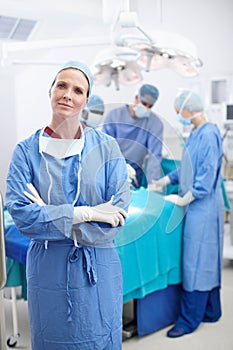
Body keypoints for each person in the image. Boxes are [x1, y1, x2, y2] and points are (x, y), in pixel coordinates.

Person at [5, 60, 130, 350]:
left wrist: (49, 215)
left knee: (100, 338)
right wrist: (83, 213)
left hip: (98, 267)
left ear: (86, 100)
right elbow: (22, 215)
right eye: (62, 85)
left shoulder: (106, 147)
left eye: (78, 90)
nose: (68, 94)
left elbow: (117, 214)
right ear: (50, 90)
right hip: (48, 269)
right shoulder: (26, 151)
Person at [153, 90, 224, 337]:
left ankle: (188, 320)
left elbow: (205, 174)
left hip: (202, 207)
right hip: (196, 204)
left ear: (189, 108)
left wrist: (186, 197)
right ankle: (211, 310)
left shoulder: (209, 134)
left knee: (197, 262)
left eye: (178, 110)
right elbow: (188, 167)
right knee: (205, 260)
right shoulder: (195, 133)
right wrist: (166, 180)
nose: (178, 115)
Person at [102, 84, 164, 187]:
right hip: (111, 171)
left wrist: (153, 184)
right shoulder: (114, 116)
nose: (146, 108)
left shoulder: (154, 123)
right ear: (136, 98)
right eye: (144, 103)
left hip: (135, 175)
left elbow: (155, 156)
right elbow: (104, 149)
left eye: (150, 106)